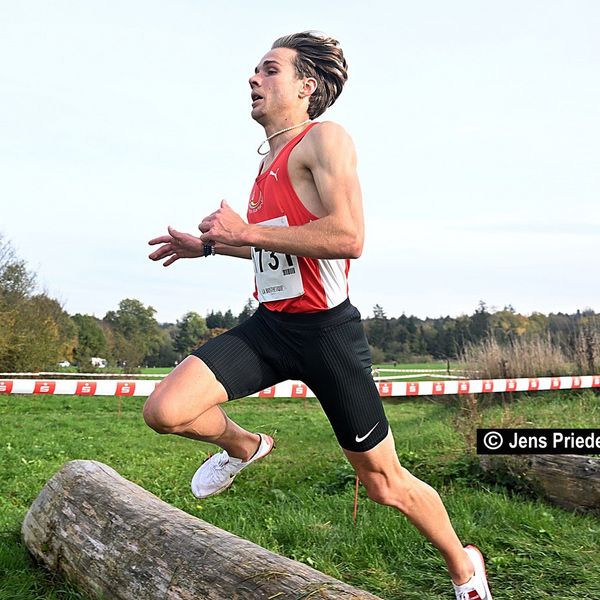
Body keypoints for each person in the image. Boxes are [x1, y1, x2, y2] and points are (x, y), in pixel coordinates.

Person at [145, 31, 493, 600]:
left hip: (327, 333)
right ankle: (244, 446)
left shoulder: (325, 140)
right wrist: (207, 247)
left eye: (269, 70)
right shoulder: (267, 165)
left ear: (306, 87)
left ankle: (464, 566)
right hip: (271, 327)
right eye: (255, 71)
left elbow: (348, 236)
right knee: (166, 410)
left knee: (384, 483)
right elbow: (277, 244)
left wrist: (244, 231)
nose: (253, 79)